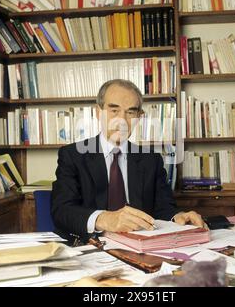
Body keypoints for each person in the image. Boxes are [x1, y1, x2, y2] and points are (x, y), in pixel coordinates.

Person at [51, 79, 206, 242]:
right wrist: (104, 219)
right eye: (114, 110)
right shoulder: (72, 155)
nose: (122, 121)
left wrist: (178, 217)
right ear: (98, 112)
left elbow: (164, 209)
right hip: (90, 246)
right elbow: (62, 210)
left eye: (130, 112)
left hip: (140, 246)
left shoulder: (151, 160)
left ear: (139, 117)